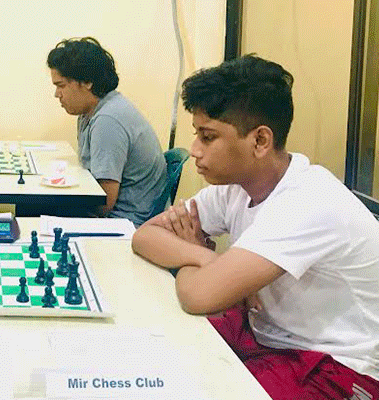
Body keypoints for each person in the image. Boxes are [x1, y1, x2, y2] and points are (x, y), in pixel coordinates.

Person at [132, 55, 379, 399]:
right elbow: (145, 236)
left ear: (260, 141)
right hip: (266, 338)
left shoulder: (308, 200)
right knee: (153, 353)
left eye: (208, 137)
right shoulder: (236, 186)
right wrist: (205, 258)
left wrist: (199, 254)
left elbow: (199, 296)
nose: (195, 150)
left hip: (335, 366)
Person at [46, 37, 166, 225]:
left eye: (61, 86)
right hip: (120, 216)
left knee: (34, 211)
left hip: (124, 222)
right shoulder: (91, 112)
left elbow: (103, 203)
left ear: (87, 82)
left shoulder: (108, 120)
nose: (57, 94)